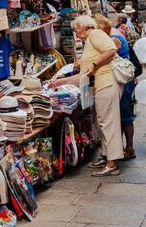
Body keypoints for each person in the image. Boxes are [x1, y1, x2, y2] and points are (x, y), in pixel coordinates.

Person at [49, 15, 123, 176]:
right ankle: (106, 156)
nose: (76, 34)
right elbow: (84, 74)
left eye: (76, 30)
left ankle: (112, 163)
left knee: (107, 123)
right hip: (99, 86)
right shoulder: (90, 41)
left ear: (83, 27)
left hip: (106, 83)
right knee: (100, 122)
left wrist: (95, 65)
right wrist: (59, 83)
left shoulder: (95, 34)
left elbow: (111, 49)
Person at [94, 14, 142, 161]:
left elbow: (109, 56)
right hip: (121, 79)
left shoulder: (115, 38)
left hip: (122, 80)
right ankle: (120, 148)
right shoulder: (113, 34)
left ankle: (129, 148)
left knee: (124, 114)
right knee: (120, 114)